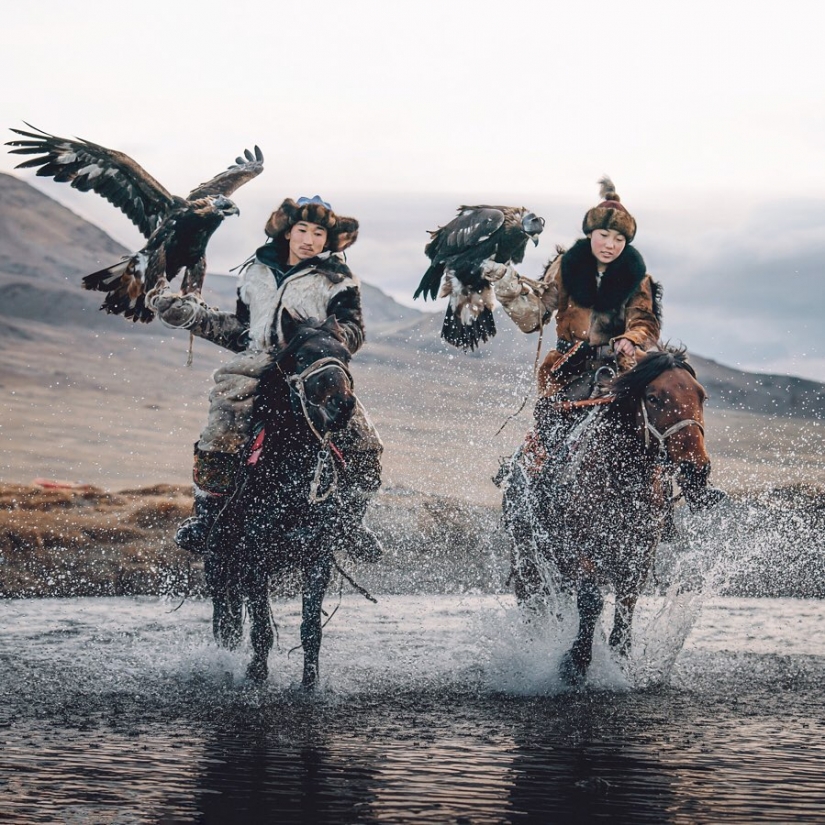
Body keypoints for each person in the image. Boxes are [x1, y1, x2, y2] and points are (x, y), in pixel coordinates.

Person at [153, 195, 383, 560]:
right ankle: (206, 516)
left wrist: (317, 342)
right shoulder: (255, 274)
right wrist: (193, 318)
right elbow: (242, 332)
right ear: (288, 232)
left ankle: (352, 522)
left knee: (364, 439)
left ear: (328, 239)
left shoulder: (339, 280)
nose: (309, 240)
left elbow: (353, 332)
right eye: (302, 230)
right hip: (255, 365)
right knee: (220, 427)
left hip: (311, 370)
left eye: (319, 233)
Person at [491, 177, 724, 509]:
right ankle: (532, 493)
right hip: (570, 369)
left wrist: (631, 338)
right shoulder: (564, 269)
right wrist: (507, 288)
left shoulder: (638, 278)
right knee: (552, 424)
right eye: (604, 235)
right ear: (590, 234)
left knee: (673, 402)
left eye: (619, 239)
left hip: (622, 368)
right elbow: (534, 316)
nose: (610, 245)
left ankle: (694, 484)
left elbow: (645, 322)